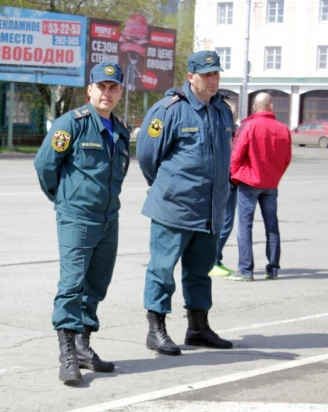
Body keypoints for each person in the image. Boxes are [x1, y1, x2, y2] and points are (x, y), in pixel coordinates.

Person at [33, 62, 131, 383]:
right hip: (77, 217)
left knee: (96, 285)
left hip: (108, 219)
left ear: (119, 92)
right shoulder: (71, 124)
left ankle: (84, 346)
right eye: (101, 86)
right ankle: (68, 356)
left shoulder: (121, 130)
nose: (107, 92)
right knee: (72, 285)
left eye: (113, 87)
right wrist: (63, 199)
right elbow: (46, 164)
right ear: (90, 90)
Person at [136, 50, 234, 356]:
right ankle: (156, 329)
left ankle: (198, 327)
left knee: (200, 271)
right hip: (175, 207)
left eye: (216, 74)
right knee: (162, 269)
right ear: (190, 76)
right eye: (206, 75)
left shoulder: (223, 111)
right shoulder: (169, 110)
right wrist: (169, 188)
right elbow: (147, 157)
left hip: (209, 209)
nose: (213, 80)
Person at [225, 92, 292, 282]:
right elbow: (287, 158)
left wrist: (233, 175)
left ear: (255, 108)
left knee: (245, 227)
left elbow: (237, 154)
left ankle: (246, 270)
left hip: (249, 182)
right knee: (272, 226)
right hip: (271, 183)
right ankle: (273, 269)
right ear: (271, 107)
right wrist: (276, 175)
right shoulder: (283, 129)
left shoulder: (250, 126)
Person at [209, 100, 239, 277]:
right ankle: (212, 261)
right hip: (226, 181)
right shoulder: (223, 131)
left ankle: (215, 259)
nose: (234, 116)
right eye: (232, 113)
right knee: (224, 223)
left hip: (228, 180)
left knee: (223, 223)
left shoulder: (232, 130)